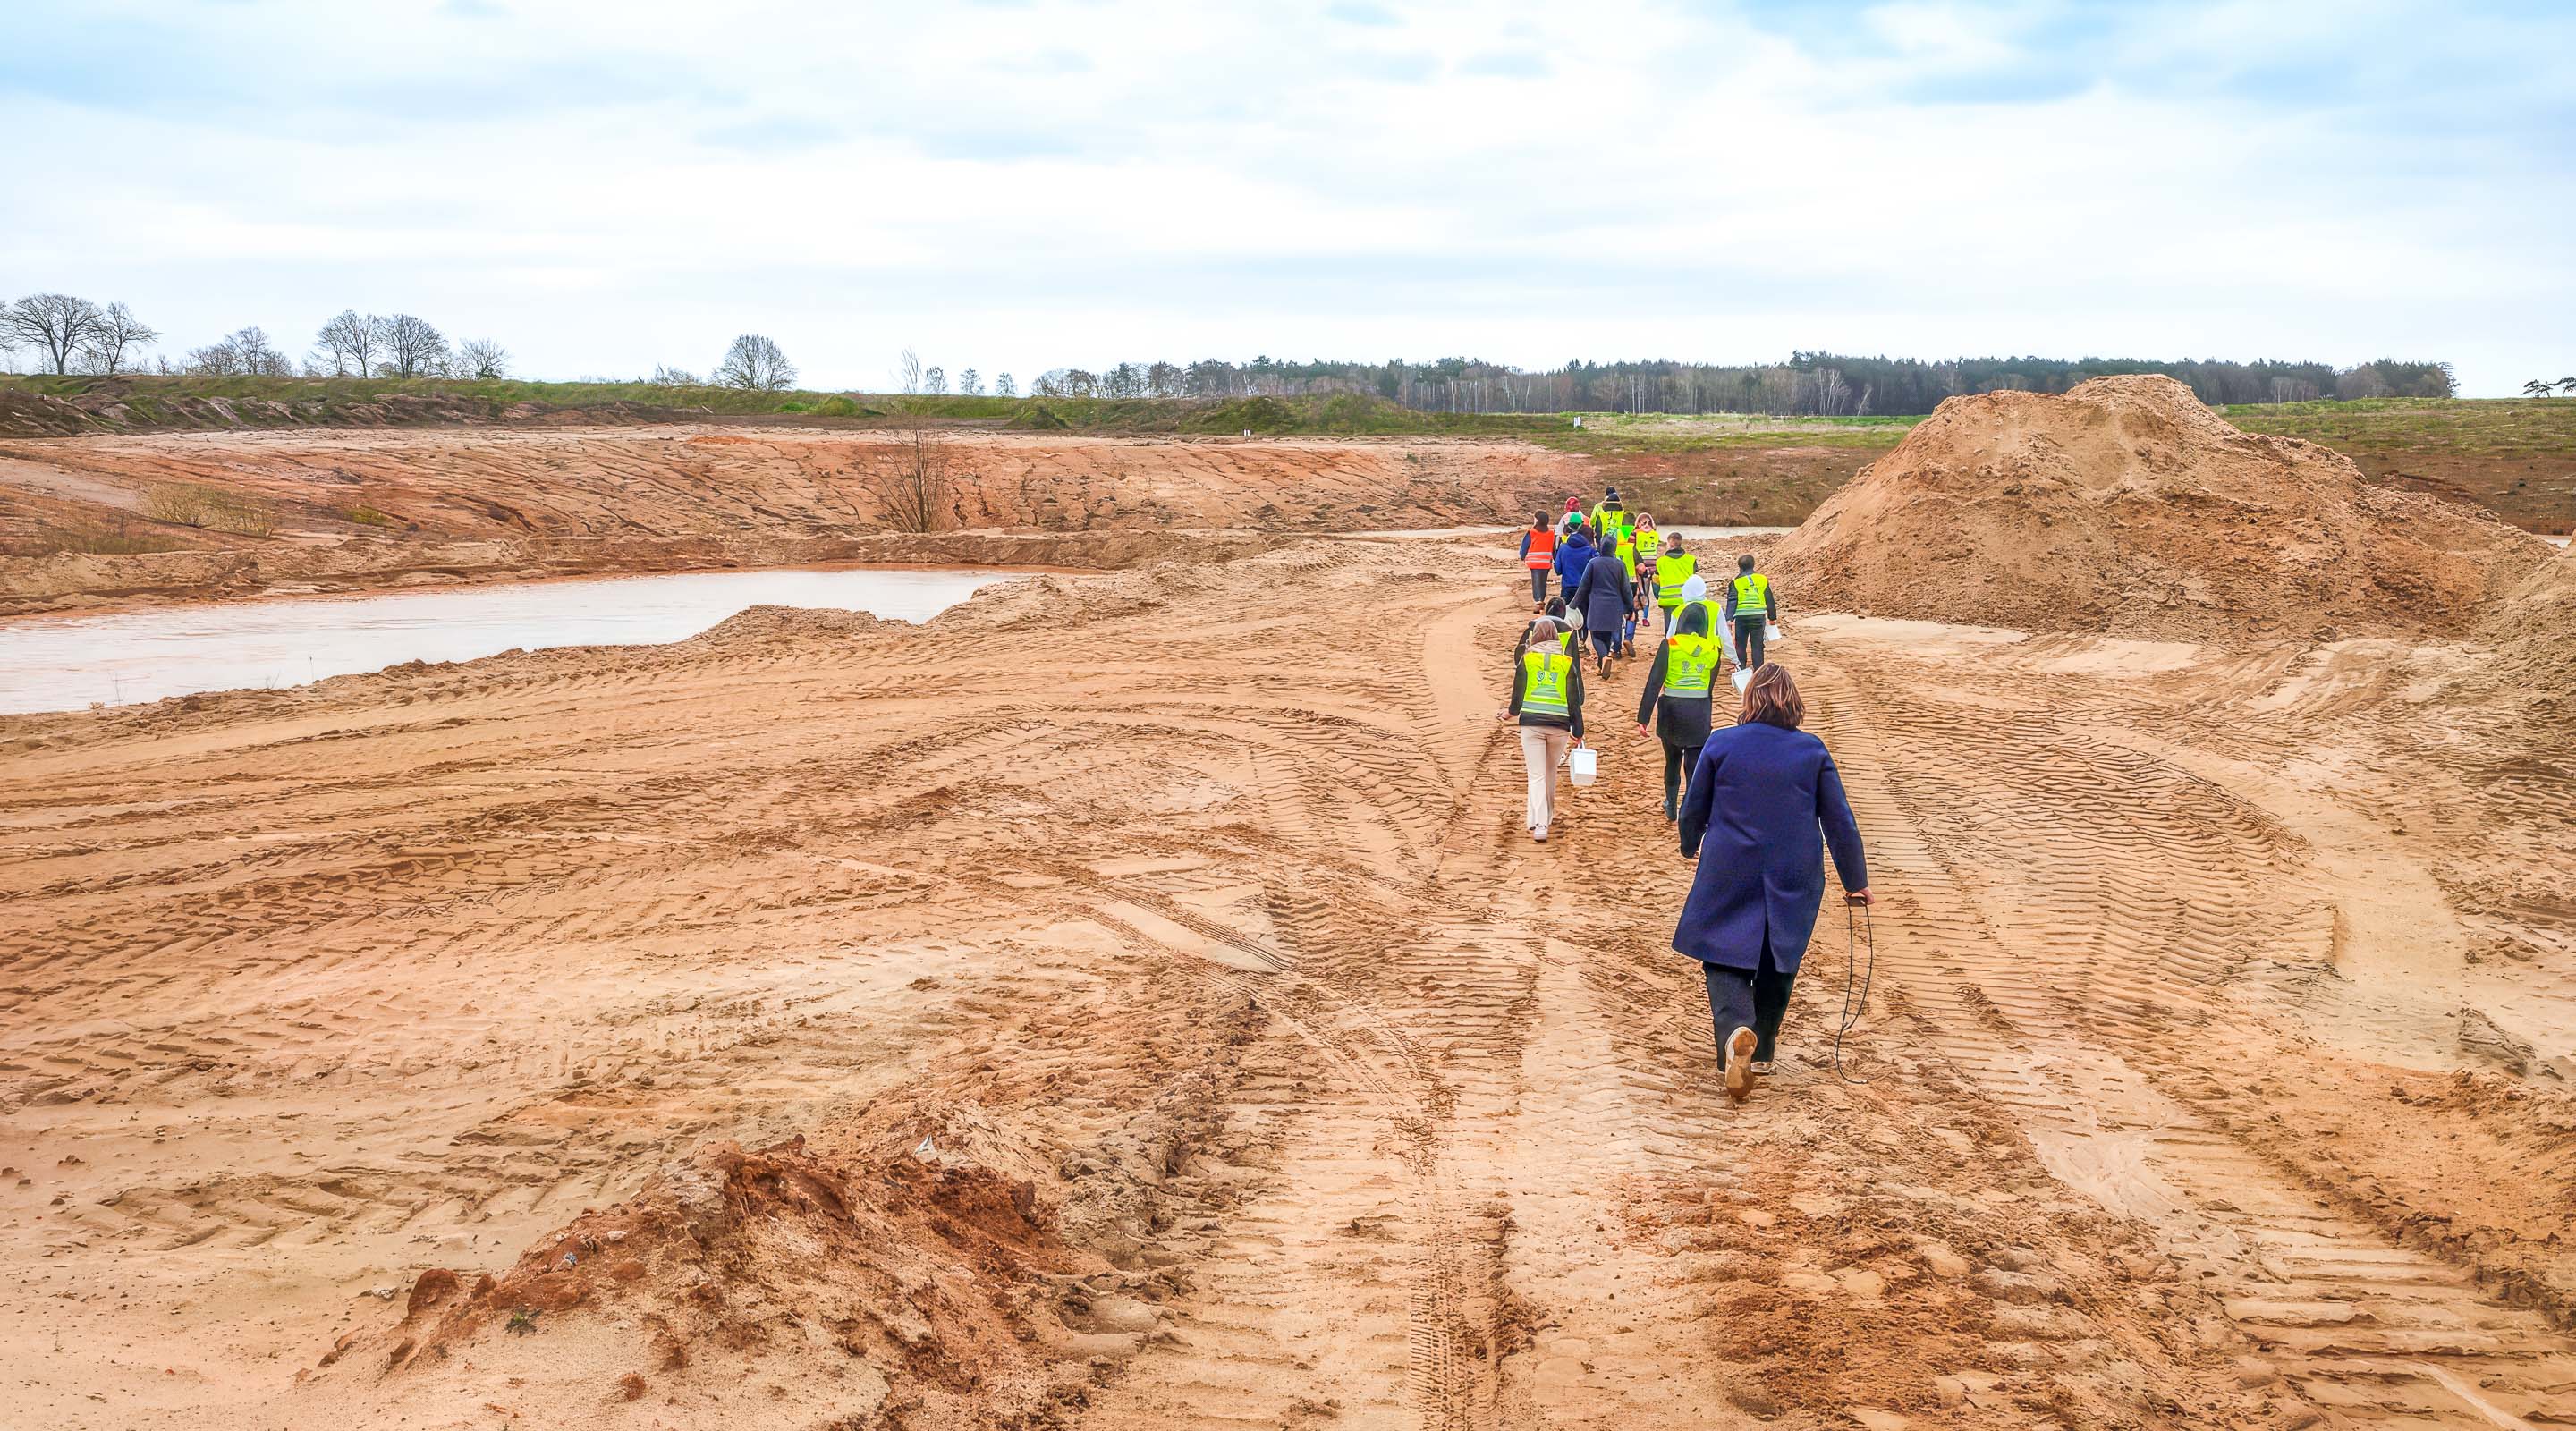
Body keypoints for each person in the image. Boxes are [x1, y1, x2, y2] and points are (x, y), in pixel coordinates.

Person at [1674, 665, 1868, 1104]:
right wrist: (1856, 881)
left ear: (1750, 701)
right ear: (1794, 704)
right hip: (1794, 869)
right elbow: (1840, 820)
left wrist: (1690, 845)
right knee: (1780, 954)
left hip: (1730, 864)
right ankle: (1762, 1048)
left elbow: (1694, 806)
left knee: (1723, 955)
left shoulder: (1721, 742)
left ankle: (1735, 1035)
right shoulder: (1812, 751)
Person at [1499, 616, 1585, 843]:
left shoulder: (1527, 661)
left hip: (1532, 725)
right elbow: (1573, 700)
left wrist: (1509, 713)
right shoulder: (1566, 662)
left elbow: (1517, 696)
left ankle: (1540, 824)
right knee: (1550, 773)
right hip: (1559, 726)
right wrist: (1579, 729)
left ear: (1534, 636)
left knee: (1536, 775)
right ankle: (1546, 815)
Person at [1634, 603, 1722, 823]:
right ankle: (1688, 809)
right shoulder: (1713, 650)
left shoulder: (1670, 645)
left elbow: (1654, 682)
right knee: (1693, 767)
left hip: (1672, 714)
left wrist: (1643, 718)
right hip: (1699, 715)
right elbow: (1709, 688)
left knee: (1672, 761)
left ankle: (1670, 803)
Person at [1570, 535, 1634, 678]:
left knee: (1596, 635)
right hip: (1614, 606)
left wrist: (1572, 605)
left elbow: (1584, 587)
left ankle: (1604, 657)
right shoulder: (1620, 564)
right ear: (1614, 548)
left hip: (1597, 605)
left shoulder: (1593, 563)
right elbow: (1626, 589)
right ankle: (1601, 665)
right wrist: (1629, 608)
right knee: (1607, 636)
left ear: (1601, 547)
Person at [1723, 554, 1779, 672]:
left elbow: (1732, 600)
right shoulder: (1762, 579)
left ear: (1740, 567)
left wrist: (1729, 618)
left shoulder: (1735, 582)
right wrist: (1772, 617)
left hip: (1742, 618)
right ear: (1753, 565)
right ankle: (1759, 670)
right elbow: (1769, 598)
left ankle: (1741, 669)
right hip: (1758, 617)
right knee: (1757, 645)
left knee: (1740, 644)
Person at [1653, 538, 1699, 633]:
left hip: (1667, 600)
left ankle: (1670, 646)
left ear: (1669, 545)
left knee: (1670, 628)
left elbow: (1655, 581)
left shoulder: (1660, 562)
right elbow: (1695, 579)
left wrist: (1657, 594)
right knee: (1686, 627)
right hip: (1686, 599)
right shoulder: (1690, 559)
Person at [1516, 512, 1558, 610]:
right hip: (1546, 563)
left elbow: (1525, 546)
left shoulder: (1531, 532)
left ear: (1538, 520)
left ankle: (1538, 601)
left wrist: (1522, 556)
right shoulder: (1551, 533)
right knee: (1543, 582)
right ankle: (1541, 599)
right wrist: (1556, 559)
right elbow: (1553, 549)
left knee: (1536, 582)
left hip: (1535, 563)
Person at [1553, 525, 1597, 604]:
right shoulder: (1591, 551)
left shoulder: (1563, 548)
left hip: (1567, 588)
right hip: (1585, 589)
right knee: (1584, 615)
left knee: (1567, 614)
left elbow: (1558, 570)